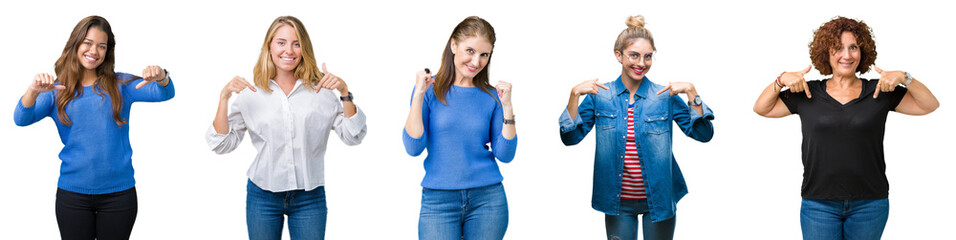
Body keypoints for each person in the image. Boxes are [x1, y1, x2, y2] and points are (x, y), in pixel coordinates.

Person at [753, 16, 939, 240]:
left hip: (870, 204)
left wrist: (905, 78)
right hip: (818, 204)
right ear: (826, 52)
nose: (847, 55)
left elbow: (929, 105)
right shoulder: (806, 92)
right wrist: (781, 80)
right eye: (838, 48)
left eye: (853, 47)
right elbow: (762, 108)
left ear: (862, 52)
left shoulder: (879, 91)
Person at [13, 15, 175, 240]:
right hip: (73, 196)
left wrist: (162, 76)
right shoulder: (56, 90)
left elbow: (164, 93)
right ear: (76, 43)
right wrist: (32, 90)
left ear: (108, 52)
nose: (94, 51)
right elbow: (21, 118)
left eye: (102, 46)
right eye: (88, 43)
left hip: (119, 196)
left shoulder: (120, 85)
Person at [205, 16, 366, 240]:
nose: (288, 50)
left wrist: (344, 93)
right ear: (269, 46)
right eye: (281, 42)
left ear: (304, 49)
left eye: (296, 43)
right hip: (262, 195)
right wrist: (223, 98)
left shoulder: (322, 94)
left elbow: (353, 135)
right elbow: (221, 144)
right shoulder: (252, 93)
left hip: (310, 197)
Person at [558, 15, 714, 240]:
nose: (641, 63)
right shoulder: (599, 96)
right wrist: (574, 95)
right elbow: (570, 138)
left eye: (647, 57)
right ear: (618, 55)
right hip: (617, 200)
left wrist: (692, 93)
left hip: (659, 200)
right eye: (634, 55)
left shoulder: (664, 96)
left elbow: (703, 134)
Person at [402, 16, 517, 240]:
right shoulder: (428, 90)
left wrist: (508, 107)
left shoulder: (492, 96)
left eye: (484, 54)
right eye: (470, 51)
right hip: (438, 201)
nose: (476, 61)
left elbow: (505, 154)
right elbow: (413, 147)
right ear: (453, 45)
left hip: (488, 200)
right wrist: (418, 94)